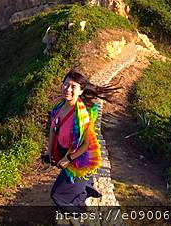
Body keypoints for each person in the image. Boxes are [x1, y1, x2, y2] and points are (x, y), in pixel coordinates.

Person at [42, 69, 119, 216]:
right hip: (65, 152)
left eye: (73, 86)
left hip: (78, 158)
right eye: (65, 84)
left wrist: (68, 158)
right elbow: (53, 130)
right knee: (67, 190)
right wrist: (49, 152)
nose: (67, 89)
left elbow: (84, 145)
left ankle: (85, 213)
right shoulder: (59, 108)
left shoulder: (81, 115)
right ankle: (86, 187)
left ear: (80, 91)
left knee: (58, 195)